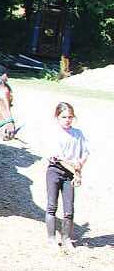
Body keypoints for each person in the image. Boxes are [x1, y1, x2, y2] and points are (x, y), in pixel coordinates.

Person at [44, 102, 89, 251]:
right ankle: (51, 238)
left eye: (70, 117)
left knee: (69, 209)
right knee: (52, 206)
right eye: (64, 117)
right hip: (55, 171)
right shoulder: (54, 134)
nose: (67, 120)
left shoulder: (78, 134)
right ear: (57, 117)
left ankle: (66, 238)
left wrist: (80, 166)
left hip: (71, 174)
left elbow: (85, 152)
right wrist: (75, 171)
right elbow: (59, 158)